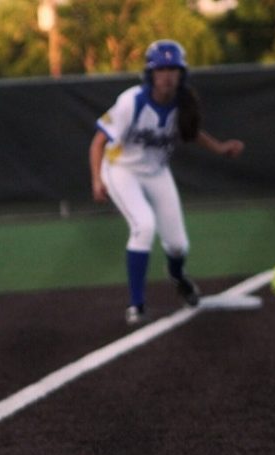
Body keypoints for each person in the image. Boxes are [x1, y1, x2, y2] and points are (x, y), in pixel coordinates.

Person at [89, 39, 245, 325]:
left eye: (174, 69)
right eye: (161, 69)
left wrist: (220, 148)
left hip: (158, 173)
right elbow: (98, 142)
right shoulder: (131, 101)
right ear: (150, 73)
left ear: (182, 73)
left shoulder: (182, 103)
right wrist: (97, 179)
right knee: (144, 225)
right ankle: (136, 305)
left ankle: (177, 276)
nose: (168, 75)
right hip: (122, 171)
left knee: (178, 246)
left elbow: (192, 132)